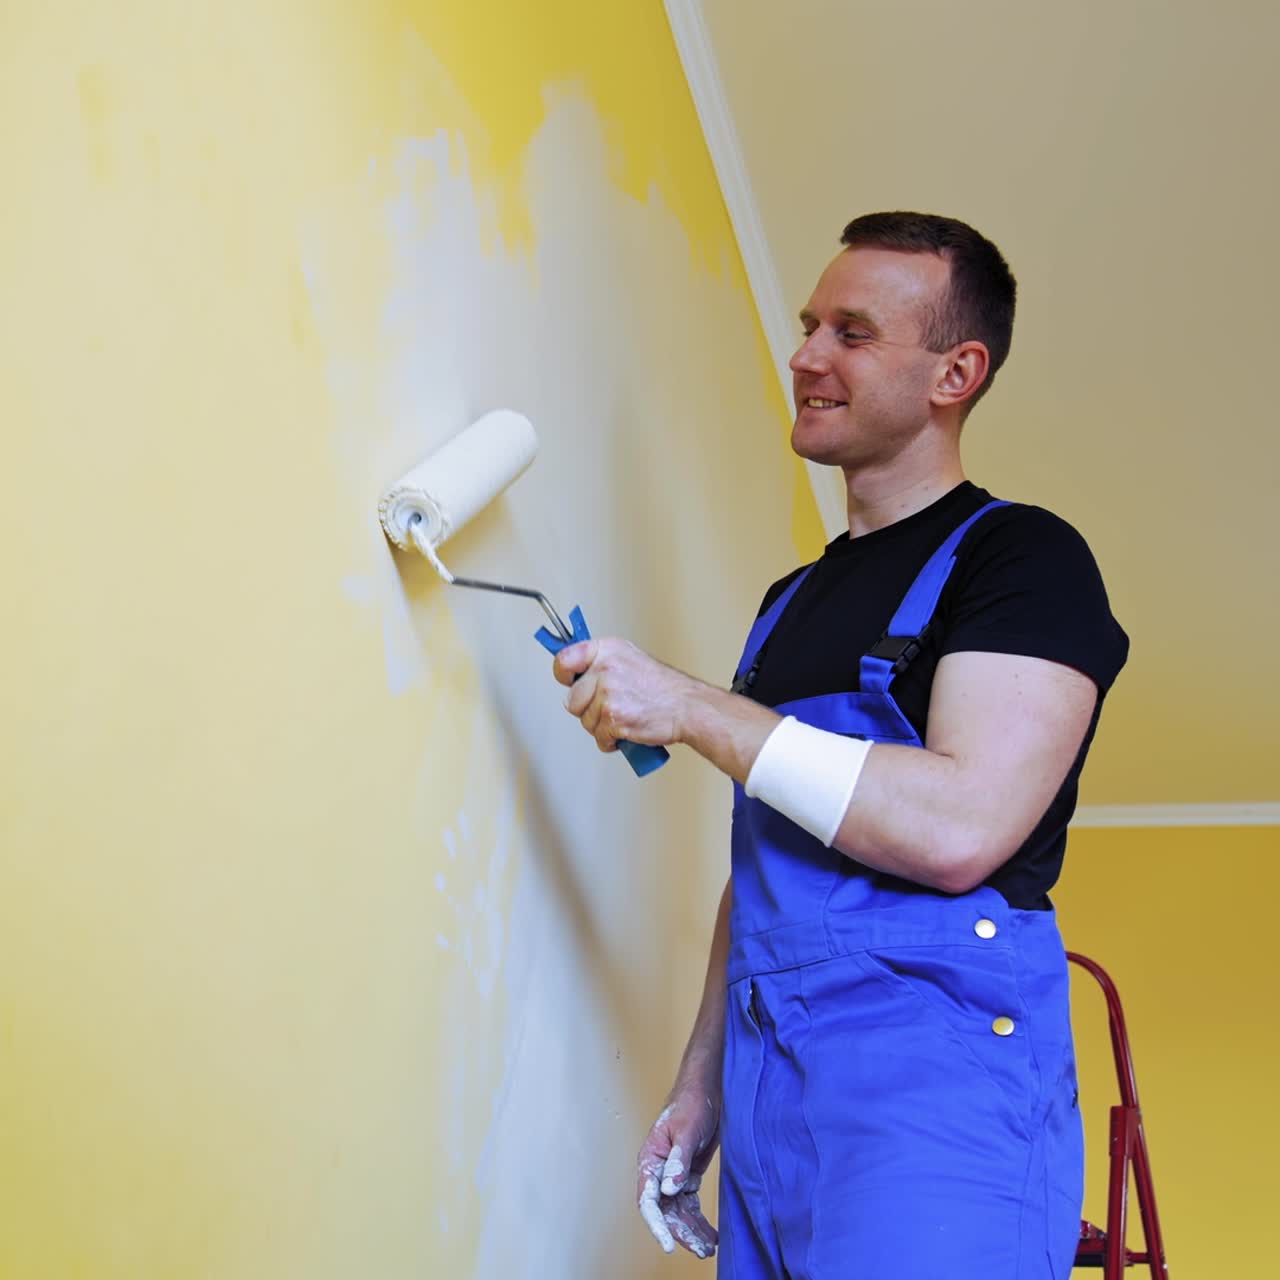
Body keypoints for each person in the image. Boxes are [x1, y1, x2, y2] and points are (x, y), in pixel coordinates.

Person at [552, 211, 1128, 1279]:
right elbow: (772, 863)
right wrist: (701, 1083)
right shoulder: (788, 604)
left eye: (850, 333)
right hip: (775, 1082)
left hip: (931, 1078)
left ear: (955, 370)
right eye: (808, 323)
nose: (805, 355)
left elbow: (960, 825)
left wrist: (692, 705)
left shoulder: (1020, 556)